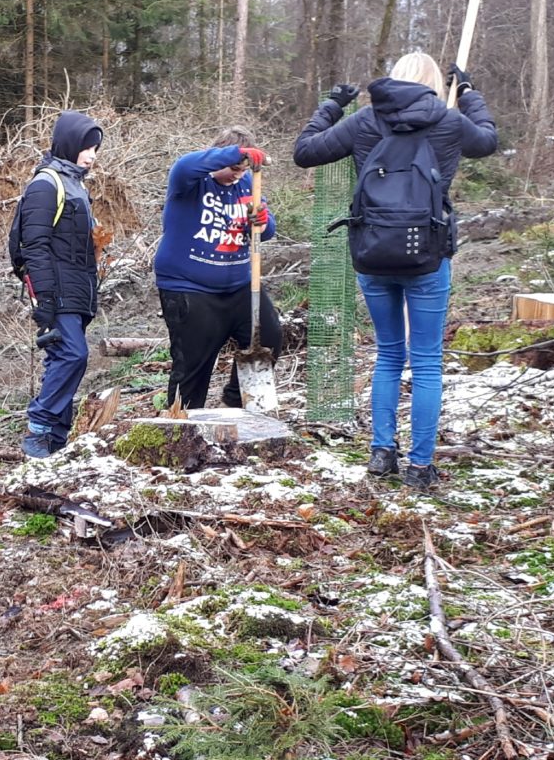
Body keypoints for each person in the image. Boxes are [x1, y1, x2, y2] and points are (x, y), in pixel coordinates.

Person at [293, 53, 499, 489]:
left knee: (389, 354)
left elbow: (305, 152)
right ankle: (420, 466)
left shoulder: (365, 119)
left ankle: (381, 452)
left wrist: (332, 105)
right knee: (426, 362)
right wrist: (469, 95)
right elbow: (487, 141)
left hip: (372, 251)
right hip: (426, 253)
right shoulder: (447, 120)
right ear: (431, 83)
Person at [152, 134, 282, 410]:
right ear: (218, 156)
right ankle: (183, 427)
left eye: (244, 169)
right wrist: (234, 153)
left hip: (238, 287)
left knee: (269, 335)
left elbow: (267, 231)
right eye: (234, 167)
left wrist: (260, 221)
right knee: (193, 366)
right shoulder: (189, 181)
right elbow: (185, 164)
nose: (238, 175)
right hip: (188, 287)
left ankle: (235, 404)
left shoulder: (247, 183)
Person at [8, 111, 105, 458]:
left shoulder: (75, 183)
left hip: (77, 288)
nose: (91, 156)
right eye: (86, 148)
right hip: (57, 289)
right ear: (69, 144)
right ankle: (39, 431)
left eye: (95, 149)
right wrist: (44, 298)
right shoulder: (46, 184)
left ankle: (55, 440)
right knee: (73, 355)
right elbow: (33, 245)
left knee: (64, 357)